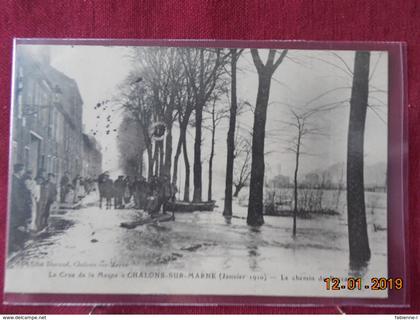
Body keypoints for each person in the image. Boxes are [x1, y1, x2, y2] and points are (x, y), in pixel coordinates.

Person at [9, 163, 27, 253]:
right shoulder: (14, 180)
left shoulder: (18, 180)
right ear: (19, 170)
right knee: (14, 226)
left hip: (20, 206)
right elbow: (15, 196)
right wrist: (20, 208)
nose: (24, 172)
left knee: (19, 226)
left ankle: (16, 244)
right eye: (23, 170)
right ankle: (13, 245)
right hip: (16, 208)